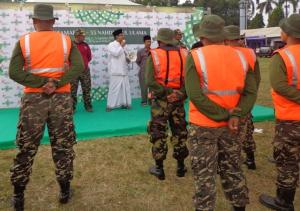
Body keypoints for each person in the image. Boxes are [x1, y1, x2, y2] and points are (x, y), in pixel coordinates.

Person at [8, 4, 84, 211]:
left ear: (34, 21)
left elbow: (14, 72)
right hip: (60, 99)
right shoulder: (66, 40)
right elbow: (79, 66)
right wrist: (55, 83)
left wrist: (40, 83)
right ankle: (65, 191)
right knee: (63, 145)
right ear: (52, 21)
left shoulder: (24, 41)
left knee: (26, 147)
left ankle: (18, 196)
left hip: (33, 100)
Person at [186, 15, 257, 211]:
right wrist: (235, 115)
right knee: (233, 169)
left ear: (202, 36)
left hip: (203, 126)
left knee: (204, 175)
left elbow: (195, 96)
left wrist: (225, 114)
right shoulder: (242, 56)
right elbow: (251, 92)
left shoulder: (195, 56)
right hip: (232, 126)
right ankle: (239, 206)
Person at [259, 14, 300, 211]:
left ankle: (284, 201)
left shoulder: (282, 55)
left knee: (287, 161)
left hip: (290, 120)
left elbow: (280, 86)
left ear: (289, 33)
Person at [145, 28, 189, 180]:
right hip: (178, 100)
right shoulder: (184, 53)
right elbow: (190, 79)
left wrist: (166, 93)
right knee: (180, 132)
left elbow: (150, 81)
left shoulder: (155, 54)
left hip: (160, 102)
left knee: (158, 133)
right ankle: (181, 167)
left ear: (159, 40)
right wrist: (180, 93)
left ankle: (159, 170)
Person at [224, 25, 261, 170]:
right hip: (246, 99)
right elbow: (257, 78)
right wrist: (250, 96)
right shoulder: (250, 53)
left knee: (229, 134)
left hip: (229, 100)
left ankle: (229, 164)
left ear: (225, 39)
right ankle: (250, 159)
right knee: (247, 130)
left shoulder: (224, 53)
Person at [106, 29, 131, 111]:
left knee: (125, 88)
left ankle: (125, 103)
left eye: (123, 35)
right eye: (121, 35)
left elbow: (127, 55)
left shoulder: (125, 45)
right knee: (113, 89)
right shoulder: (111, 45)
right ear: (117, 36)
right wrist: (122, 46)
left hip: (124, 70)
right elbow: (116, 54)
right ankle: (110, 106)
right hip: (116, 71)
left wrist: (129, 59)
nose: (123, 36)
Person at [71, 29, 93, 112]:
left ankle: (88, 106)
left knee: (87, 89)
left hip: (85, 71)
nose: (84, 37)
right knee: (72, 90)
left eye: (84, 36)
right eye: (82, 36)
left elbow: (89, 57)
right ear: (77, 36)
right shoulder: (70, 45)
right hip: (73, 71)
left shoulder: (86, 45)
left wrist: (84, 64)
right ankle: (72, 108)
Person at [136, 35, 151, 106]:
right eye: (147, 42)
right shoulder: (140, 51)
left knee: (151, 88)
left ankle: (151, 101)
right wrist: (143, 67)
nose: (149, 43)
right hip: (143, 73)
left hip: (151, 73)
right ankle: (144, 101)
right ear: (144, 42)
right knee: (144, 88)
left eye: (150, 41)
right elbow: (138, 61)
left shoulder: (153, 51)